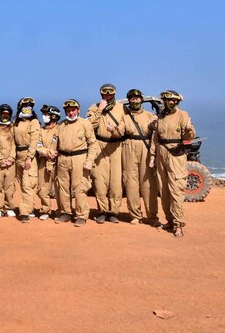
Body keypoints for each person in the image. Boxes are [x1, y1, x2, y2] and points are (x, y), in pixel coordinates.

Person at [149, 90, 196, 237]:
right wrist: (152, 156)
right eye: (165, 100)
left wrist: (188, 128)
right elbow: (155, 138)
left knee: (176, 189)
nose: (168, 102)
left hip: (175, 154)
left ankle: (178, 224)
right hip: (161, 153)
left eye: (171, 100)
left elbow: (190, 135)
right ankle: (169, 220)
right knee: (163, 190)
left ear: (176, 101)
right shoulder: (161, 117)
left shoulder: (182, 115)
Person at [115, 89, 159, 226]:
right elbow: (119, 131)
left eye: (137, 98)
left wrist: (156, 122)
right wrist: (112, 129)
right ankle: (135, 215)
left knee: (148, 183)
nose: (135, 101)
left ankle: (152, 216)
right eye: (132, 99)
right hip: (129, 146)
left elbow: (156, 130)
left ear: (141, 99)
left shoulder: (148, 115)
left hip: (145, 146)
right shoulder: (125, 117)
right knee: (130, 182)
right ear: (129, 101)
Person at [54, 99, 98, 227]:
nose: (71, 113)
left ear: (78, 110)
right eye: (68, 111)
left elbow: (93, 144)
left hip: (79, 158)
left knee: (80, 187)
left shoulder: (85, 124)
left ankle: (81, 215)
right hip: (63, 158)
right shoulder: (61, 125)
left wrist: (89, 161)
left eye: (73, 110)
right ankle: (65, 212)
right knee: (63, 187)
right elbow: (55, 143)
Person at [87, 83, 125, 224]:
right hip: (99, 146)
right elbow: (89, 125)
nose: (107, 97)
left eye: (110, 94)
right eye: (105, 94)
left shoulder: (122, 108)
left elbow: (125, 127)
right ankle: (102, 211)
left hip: (116, 146)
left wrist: (115, 129)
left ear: (114, 94)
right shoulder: (94, 107)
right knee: (100, 181)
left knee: (115, 182)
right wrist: (99, 110)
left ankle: (114, 212)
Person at [12, 97, 40, 223]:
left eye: (29, 106)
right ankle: (30, 207)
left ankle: (24, 213)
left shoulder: (34, 122)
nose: (27, 107)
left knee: (28, 184)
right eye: (25, 105)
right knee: (22, 185)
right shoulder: (16, 123)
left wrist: (29, 157)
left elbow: (34, 140)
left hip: (29, 156)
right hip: (18, 155)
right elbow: (11, 139)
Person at [35, 104, 61, 220]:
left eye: (46, 115)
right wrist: (49, 152)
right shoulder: (41, 131)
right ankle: (45, 209)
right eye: (43, 115)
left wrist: (56, 153)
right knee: (42, 188)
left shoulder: (60, 129)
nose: (44, 117)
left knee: (60, 188)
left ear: (54, 117)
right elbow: (38, 145)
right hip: (44, 162)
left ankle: (62, 211)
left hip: (58, 162)